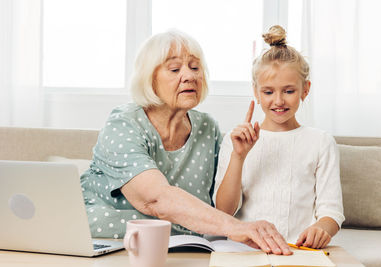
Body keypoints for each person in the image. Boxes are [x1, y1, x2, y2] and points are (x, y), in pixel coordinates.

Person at [80, 29, 291, 255]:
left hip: (183, 247)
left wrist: (238, 156)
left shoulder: (207, 128)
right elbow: (155, 199)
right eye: (174, 69)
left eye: (194, 67)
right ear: (149, 78)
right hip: (110, 243)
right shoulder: (123, 124)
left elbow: (221, 207)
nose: (189, 76)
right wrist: (238, 228)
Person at [213, 25, 345, 249]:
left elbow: (331, 212)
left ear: (305, 90)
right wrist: (239, 156)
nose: (279, 101)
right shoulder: (235, 142)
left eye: (289, 91)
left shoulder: (321, 142)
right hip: (246, 250)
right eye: (268, 92)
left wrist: (322, 228)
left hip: (299, 250)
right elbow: (223, 212)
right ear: (256, 92)